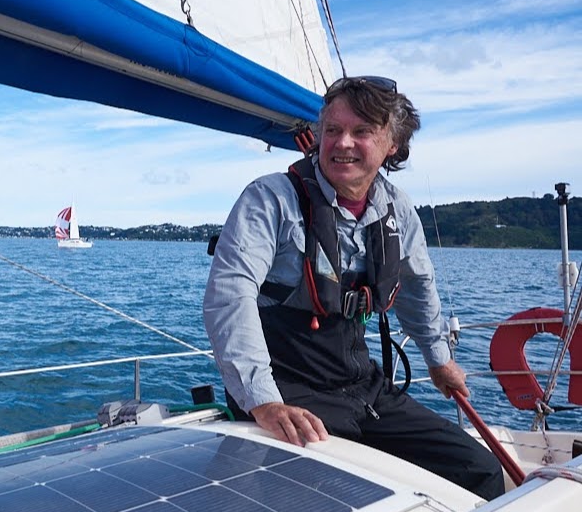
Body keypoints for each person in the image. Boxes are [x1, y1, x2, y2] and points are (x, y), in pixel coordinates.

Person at [202, 75, 505, 500]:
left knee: (479, 470)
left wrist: (439, 362)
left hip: (363, 387)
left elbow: (417, 288)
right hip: (286, 389)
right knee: (325, 494)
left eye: (361, 131)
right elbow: (230, 295)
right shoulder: (270, 200)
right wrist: (263, 401)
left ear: (392, 144)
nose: (343, 143)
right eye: (333, 130)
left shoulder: (398, 210)